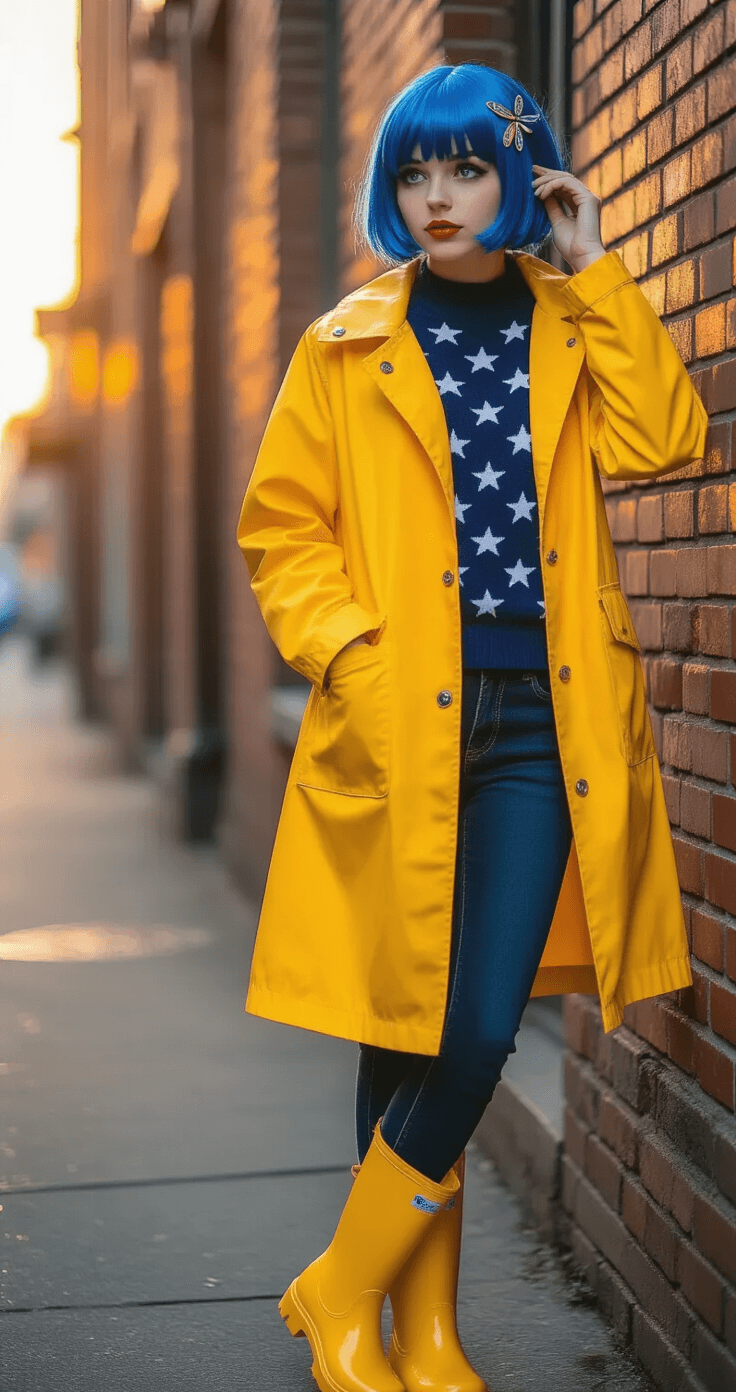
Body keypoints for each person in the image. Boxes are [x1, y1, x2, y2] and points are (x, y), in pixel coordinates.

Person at [237, 64, 706, 1392]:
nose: (437, 198)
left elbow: (665, 438)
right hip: (402, 716)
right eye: (413, 174)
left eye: (466, 170)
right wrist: (351, 654)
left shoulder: (569, 320)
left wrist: (595, 264)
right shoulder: (344, 343)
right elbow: (283, 531)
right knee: (403, 1018)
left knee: (478, 1026)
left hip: (543, 723)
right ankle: (418, 1333)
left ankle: (340, 1287)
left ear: (519, 179)